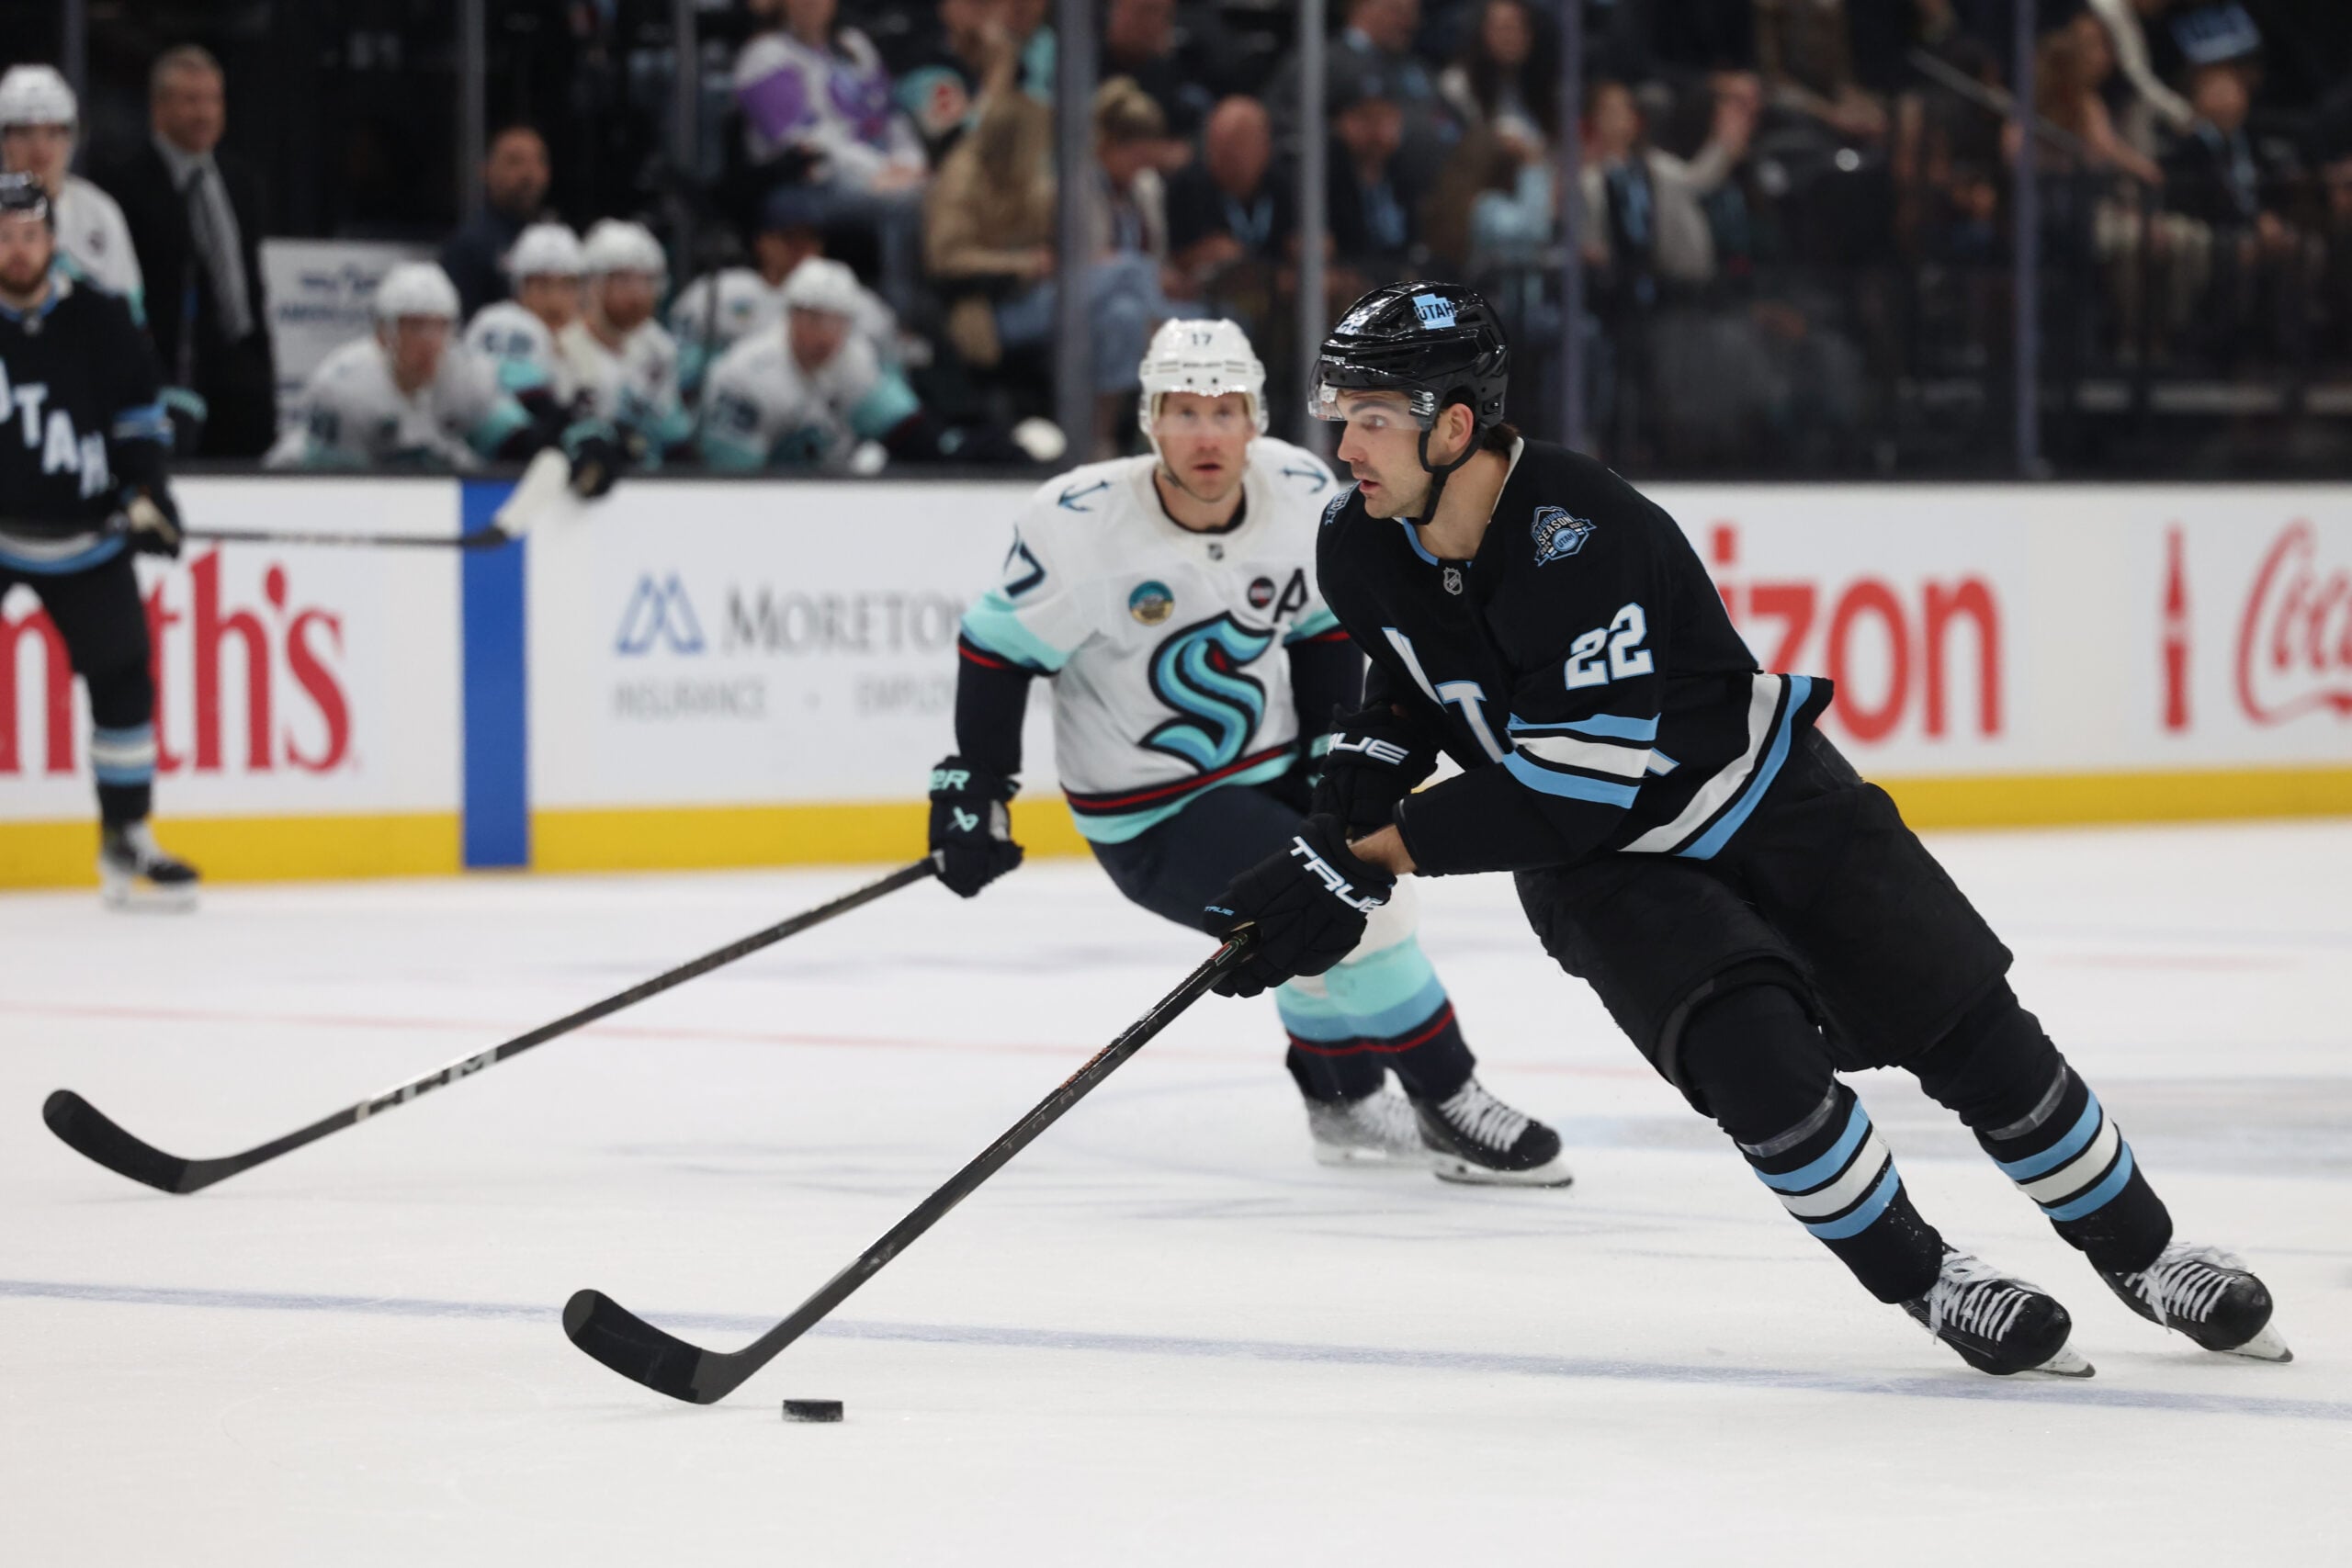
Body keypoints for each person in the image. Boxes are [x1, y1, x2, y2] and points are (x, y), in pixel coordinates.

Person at [1204, 281, 2292, 1375]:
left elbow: (1573, 785)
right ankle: (1929, 1280)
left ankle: (2144, 1254)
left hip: (1767, 801)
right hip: (1607, 873)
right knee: (1759, 1074)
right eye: (1340, 412)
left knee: (1973, 1032)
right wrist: (1340, 817)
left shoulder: (1582, 532)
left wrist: (1375, 854)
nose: (1344, 443)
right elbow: (1413, 688)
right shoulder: (1356, 540)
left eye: (1372, 417)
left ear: (1452, 426)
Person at [929, 318, 1570, 1181]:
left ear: (1256, 419)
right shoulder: (1080, 522)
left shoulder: (1299, 490)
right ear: (1151, 420)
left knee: (1308, 920)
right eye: (1184, 411)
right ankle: (1450, 1097)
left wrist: (1329, 751)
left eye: (1225, 410)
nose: (1207, 434)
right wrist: (978, 783)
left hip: (1267, 771)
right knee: (1364, 910)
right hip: (1151, 814)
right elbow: (998, 649)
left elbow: (1319, 628)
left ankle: (1343, 1102)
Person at [0, 174, 196, 908]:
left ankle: (126, 835)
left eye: (29, 236)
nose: (17, 251)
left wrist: (148, 494)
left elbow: (139, 419)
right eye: (3, 238)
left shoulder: (102, 318)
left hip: (85, 535)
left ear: (52, 241)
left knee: (123, 677)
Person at [89, 45, 275, 457]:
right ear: (159, 108)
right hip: (166, 375)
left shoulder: (241, 181)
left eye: (213, 100)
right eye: (191, 100)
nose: (204, 113)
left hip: (238, 379)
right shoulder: (124, 184)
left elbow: (252, 287)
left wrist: (261, 373)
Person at [266, 262, 537, 471]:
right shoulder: (343, 388)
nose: (430, 343)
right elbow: (333, 490)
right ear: (383, 335)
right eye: (415, 327)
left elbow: (519, 447)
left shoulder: (469, 375)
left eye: (440, 326)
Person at [698, 255, 924, 472]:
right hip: (766, 491)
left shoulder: (855, 358)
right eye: (814, 319)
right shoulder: (744, 373)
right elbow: (734, 476)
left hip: (834, 488)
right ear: (791, 316)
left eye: (838, 321)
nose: (826, 335)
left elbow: (908, 430)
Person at [669, 189, 899, 399]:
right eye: (789, 238)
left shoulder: (857, 304)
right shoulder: (717, 293)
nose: (801, 248)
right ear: (762, 242)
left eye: (810, 238)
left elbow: (891, 386)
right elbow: (676, 374)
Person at [0, 66, 142, 310]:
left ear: (72, 138)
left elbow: (130, 311)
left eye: (53, 133)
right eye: (25, 133)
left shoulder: (99, 212)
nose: (40, 149)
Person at [565, 220, 693, 464]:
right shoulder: (564, 346)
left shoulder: (659, 348)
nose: (638, 294)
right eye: (623, 280)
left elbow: (673, 435)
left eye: (648, 281)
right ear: (594, 284)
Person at [438, 126, 552, 321]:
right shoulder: (470, 245)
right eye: (514, 161)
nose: (528, 174)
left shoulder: (555, 238)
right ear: (486, 170)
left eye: (538, 161)